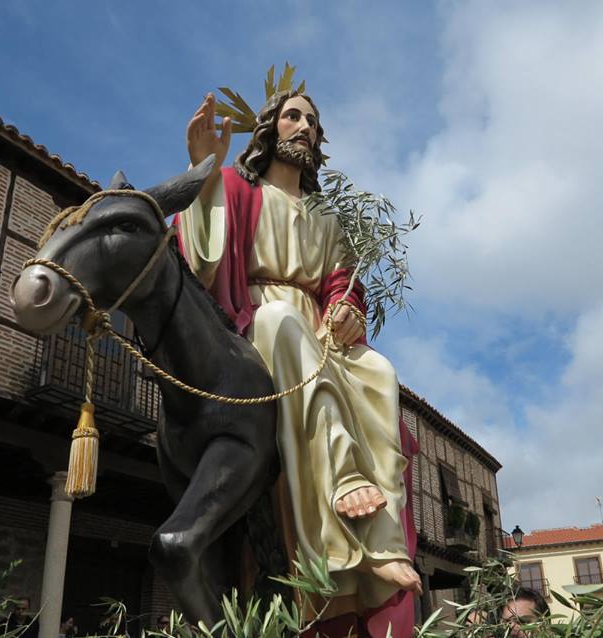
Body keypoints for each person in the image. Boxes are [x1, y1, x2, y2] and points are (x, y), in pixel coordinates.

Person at [176, 87, 419, 617]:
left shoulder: (326, 217)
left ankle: (380, 541)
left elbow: (341, 285)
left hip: (321, 332)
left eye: (312, 119)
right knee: (283, 321)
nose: (304, 125)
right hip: (258, 319)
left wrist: (345, 309)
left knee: (379, 371)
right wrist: (202, 172)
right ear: (270, 127)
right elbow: (199, 260)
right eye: (293, 115)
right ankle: (345, 483)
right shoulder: (240, 187)